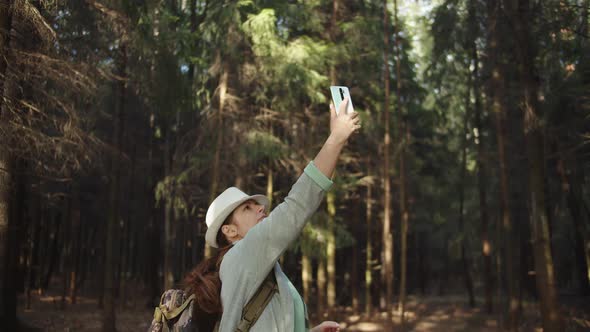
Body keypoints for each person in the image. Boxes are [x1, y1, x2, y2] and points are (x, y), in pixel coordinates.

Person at [184, 98, 360, 332]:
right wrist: (336, 138)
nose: (260, 208)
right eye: (247, 208)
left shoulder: (260, 266)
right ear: (229, 230)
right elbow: (297, 206)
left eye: (257, 205)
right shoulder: (241, 255)